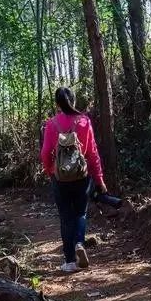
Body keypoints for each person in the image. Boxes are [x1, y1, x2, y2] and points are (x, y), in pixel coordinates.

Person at [40, 87, 107, 273]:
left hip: (59, 177)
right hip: (81, 176)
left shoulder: (51, 124)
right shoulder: (84, 121)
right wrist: (99, 179)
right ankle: (79, 243)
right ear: (73, 101)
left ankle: (69, 262)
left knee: (65, 217)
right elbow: (93, 153)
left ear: (57, 103)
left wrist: (50, 170)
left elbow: (45, 153)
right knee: (80, 214)